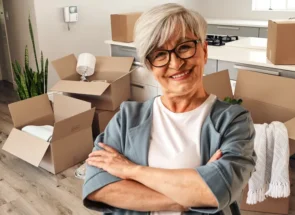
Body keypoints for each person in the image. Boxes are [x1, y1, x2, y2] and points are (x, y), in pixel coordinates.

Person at [82, 3, 256, 215]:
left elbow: (218, 191)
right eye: (160, 54)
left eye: (184, 47)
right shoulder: (127, 118)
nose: (175, 63)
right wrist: (187, 198)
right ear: (149, 65)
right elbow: (97, 188)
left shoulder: (233, 121)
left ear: (204, 50)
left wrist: (130, 170)